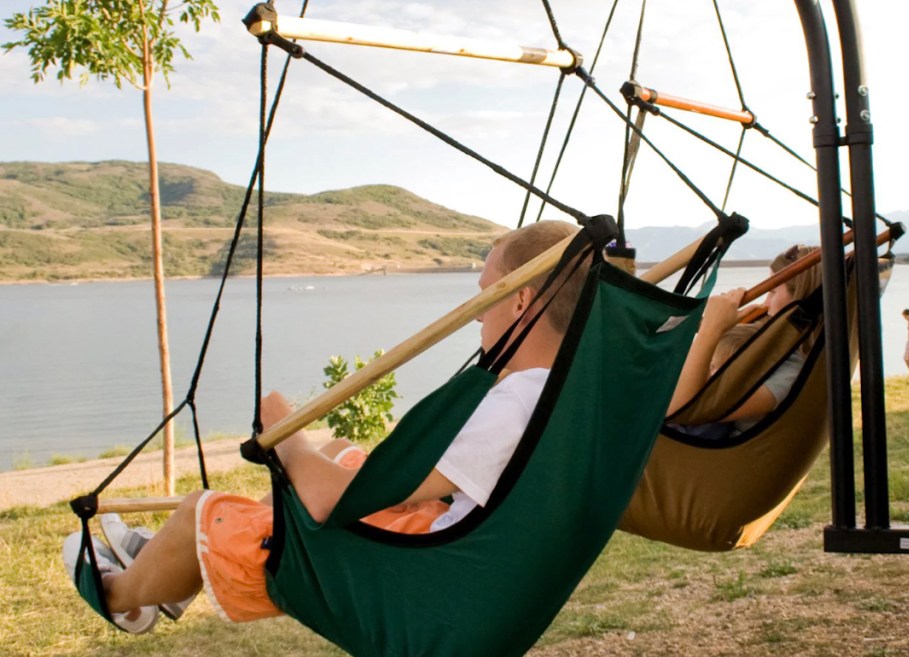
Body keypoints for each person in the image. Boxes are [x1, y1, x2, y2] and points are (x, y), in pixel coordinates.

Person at [64, 220, 589, 633]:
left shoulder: (519, 402)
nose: (476, 314)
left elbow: (329, 503)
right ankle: (171, 575)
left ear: (521, 299)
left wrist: (284, 431)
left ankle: (123, 598)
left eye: (486, 294)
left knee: (199, 511)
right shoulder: (579, 387)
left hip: (431, 572)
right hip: (484, 554)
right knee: (339, 449)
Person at [667, 243, 823, 432]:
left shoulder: (791, 372)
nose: (765, 303)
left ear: (800, 298)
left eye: (773, 292)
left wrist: (711, 329)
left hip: (705, 455)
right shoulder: (772, 344)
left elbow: (680, 409)